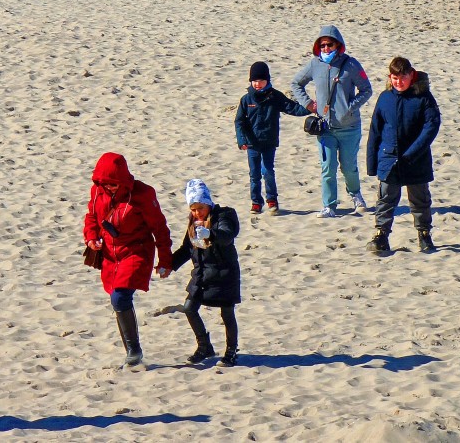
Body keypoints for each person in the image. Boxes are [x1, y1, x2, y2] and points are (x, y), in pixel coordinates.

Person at [83, 152, 172, 368]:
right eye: (106, 184)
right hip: (110, 255)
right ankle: (132, 350)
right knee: (116, 298)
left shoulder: (143, 194)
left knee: (120, 298)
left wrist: (165, 259)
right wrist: (91, 237)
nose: (110, 188)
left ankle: (134, 351)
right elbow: (92, 217)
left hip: (136, 251)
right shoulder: (97, 191)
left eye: (114, 184)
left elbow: (159, 228)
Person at [291, 25, 374, 218]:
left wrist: (349, 107)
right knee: (327, 168)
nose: (326, 49)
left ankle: (355, 195)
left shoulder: (351, 64)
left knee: (348, 166)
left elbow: (366, 90)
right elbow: (296, 83)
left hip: (349, 127)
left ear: (338, 44)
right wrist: (309, 104)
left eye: (329, 45)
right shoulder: (314, 64)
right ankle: (329, 205)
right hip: (325, 127)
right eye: (322, 45)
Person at [365, 57, 441, 255]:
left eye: (403, 77)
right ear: (390, 77)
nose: (399, 81)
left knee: (420, 201)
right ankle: (381, 235)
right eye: (395, 77)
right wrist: (372, 163)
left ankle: (424, 235)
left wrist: (414, 152)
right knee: (385, 199)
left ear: (411, 75)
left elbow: (431, 126)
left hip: (416, 159)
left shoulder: (424, 97)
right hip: (388, 159)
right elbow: (375, 130)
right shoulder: (385, 98)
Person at [170, 179, 241, 367]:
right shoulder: (193, 223)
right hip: (202, 274)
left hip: (225, 273)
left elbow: (227, 235)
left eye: (200, 208)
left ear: (208, 203)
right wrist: (168, 265)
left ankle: (231, 352)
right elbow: (186, 249)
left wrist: (211, 234)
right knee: (189, 308)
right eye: (193, 209)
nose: (197, 213)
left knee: (227, 313)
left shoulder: (225, 215)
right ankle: (204, 346)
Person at [234, 61, 311, 215]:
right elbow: (239, 121)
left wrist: (310, 108)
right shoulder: (246, 99)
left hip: (269, 142)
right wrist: (242, 141)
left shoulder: (275, 96)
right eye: (254, 81)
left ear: (267, 81)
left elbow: (292, 108)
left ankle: (272, 201)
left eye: (261, 81)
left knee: (268, 171)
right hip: (252, 144)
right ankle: (256, 202)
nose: (257, 84)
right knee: (254, 174)